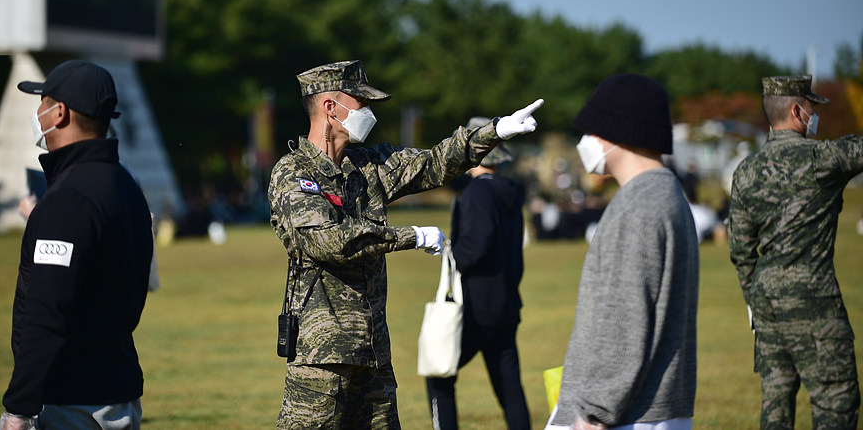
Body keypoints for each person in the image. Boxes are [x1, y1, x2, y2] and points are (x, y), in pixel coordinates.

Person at [267, 60, 543, 429]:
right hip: (322, 360)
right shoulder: (293, 173)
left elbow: (433, 163)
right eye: (360, 102)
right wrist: (410, 236)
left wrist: (494, 131)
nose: (368, 112)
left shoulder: (367, 167)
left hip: (374, 355)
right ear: (330, 107)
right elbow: (329, 241)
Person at [0, 60, 153, 430]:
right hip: (115, 388)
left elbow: (46, 311)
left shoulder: (70, 198)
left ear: (60, 112)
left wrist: (18, 408)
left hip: (73, 400)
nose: (37, 113)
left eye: (42, 102)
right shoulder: (125, 185)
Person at [547, 73, 699, 430]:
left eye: (593, 130)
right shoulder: (667, 194)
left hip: (627, 415)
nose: (587, 141)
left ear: (617, 132)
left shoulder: (638, 206)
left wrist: (594, 411)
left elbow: (624, 315)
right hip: (651, 408)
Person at [727, 75, 861, 429]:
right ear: (798, 110)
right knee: (836, 401)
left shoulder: (745, 171)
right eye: (813, 108)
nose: (815, 115)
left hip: (766, 303)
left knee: (776, 405)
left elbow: (741, 250)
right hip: (813, 300)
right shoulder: (821, 158)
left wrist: (753, 303)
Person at [425, 117, 531, 430]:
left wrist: (452, 252)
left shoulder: (478, 193)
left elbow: (475, 247)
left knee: (439, 373)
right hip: (507, 302)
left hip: (477, 307)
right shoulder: (509, 193)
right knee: (509, 387)